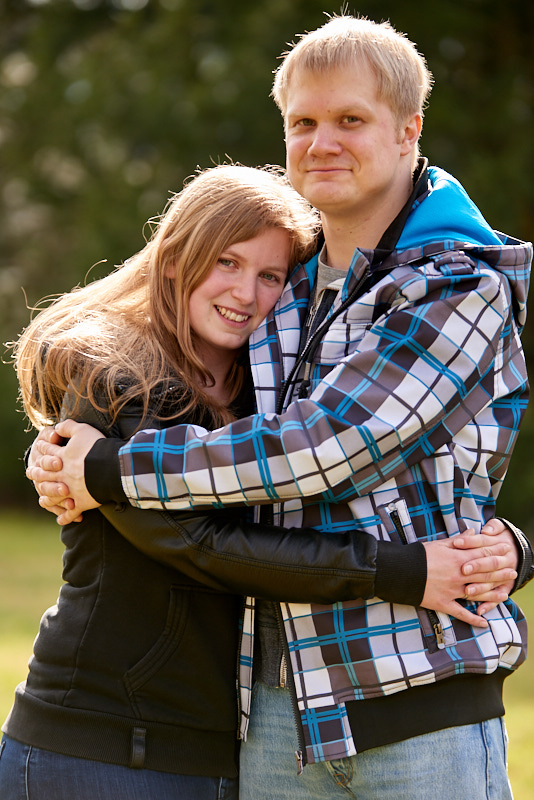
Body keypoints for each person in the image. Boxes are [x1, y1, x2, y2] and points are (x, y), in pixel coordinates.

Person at [26, 16, 533, 800]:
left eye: (349, 120)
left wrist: (106, 468)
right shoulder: (286, 289)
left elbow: (325, 446)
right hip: (272, 719)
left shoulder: (458, 286)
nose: (321, 141)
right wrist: (75, 432)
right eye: (303, 122)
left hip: (418, 704)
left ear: (409, 131)